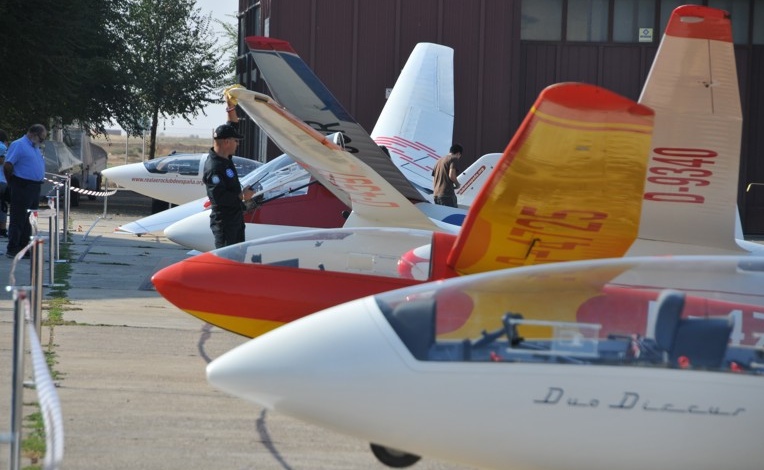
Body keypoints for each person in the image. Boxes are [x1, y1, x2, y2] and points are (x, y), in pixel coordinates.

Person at [202, 90, 255, 248]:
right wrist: (242, 196)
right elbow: (219, 198)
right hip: (225, 225)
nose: (237, 144)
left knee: (238, 259)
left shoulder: (225, 156)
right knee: (228, 261)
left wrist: (230, 106)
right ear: (226, 142)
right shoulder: (214, 168)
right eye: (235, 141)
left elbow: (232, 124)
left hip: (235, 220)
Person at [4, 124, 47, 258]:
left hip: (34, 187)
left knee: (29, 219)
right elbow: (8, 165)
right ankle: (13, 248)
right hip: (22, 185)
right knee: (18, 218)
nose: (42, 141)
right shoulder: (19, 145)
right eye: (41, 138)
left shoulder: (34, 147)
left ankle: (23, 247)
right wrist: (11, 182)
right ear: (33, 134)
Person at [0, 129, 10, 237]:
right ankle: (2, 229)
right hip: (3, 180)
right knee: (3, 206)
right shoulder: (4, 148)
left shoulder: (1, 147)